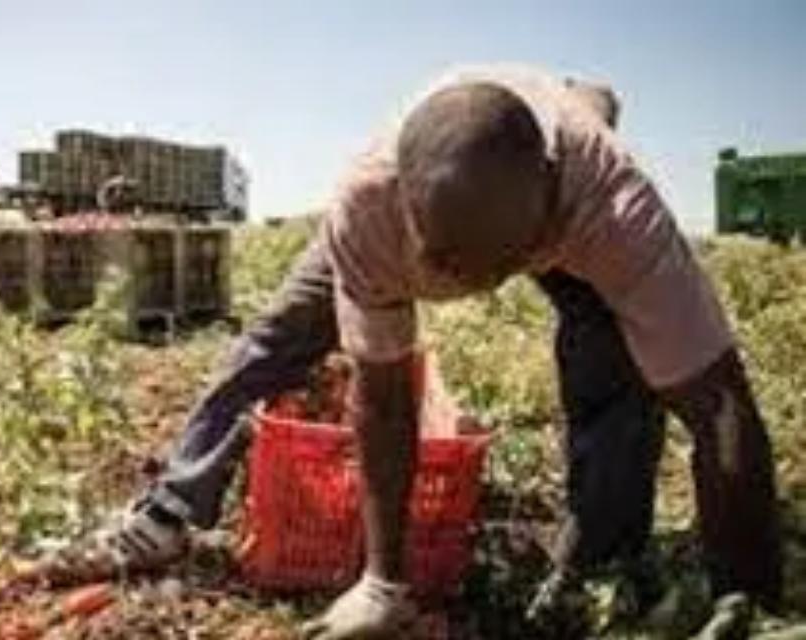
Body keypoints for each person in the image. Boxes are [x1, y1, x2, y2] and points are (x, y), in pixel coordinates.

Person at [43, 65, 781, 640]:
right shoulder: (369, 205)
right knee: (276, 340)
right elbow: (386, 395)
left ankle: (603, 557)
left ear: (546, 206)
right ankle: (172, 508)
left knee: (613, 369)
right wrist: (383, 585)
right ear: (410, 214)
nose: (468, 287)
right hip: (439, 194)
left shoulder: (614, 208)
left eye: (492, 264)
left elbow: (719, 403)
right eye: (444, 261)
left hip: (568, 192)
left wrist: (751, 595)